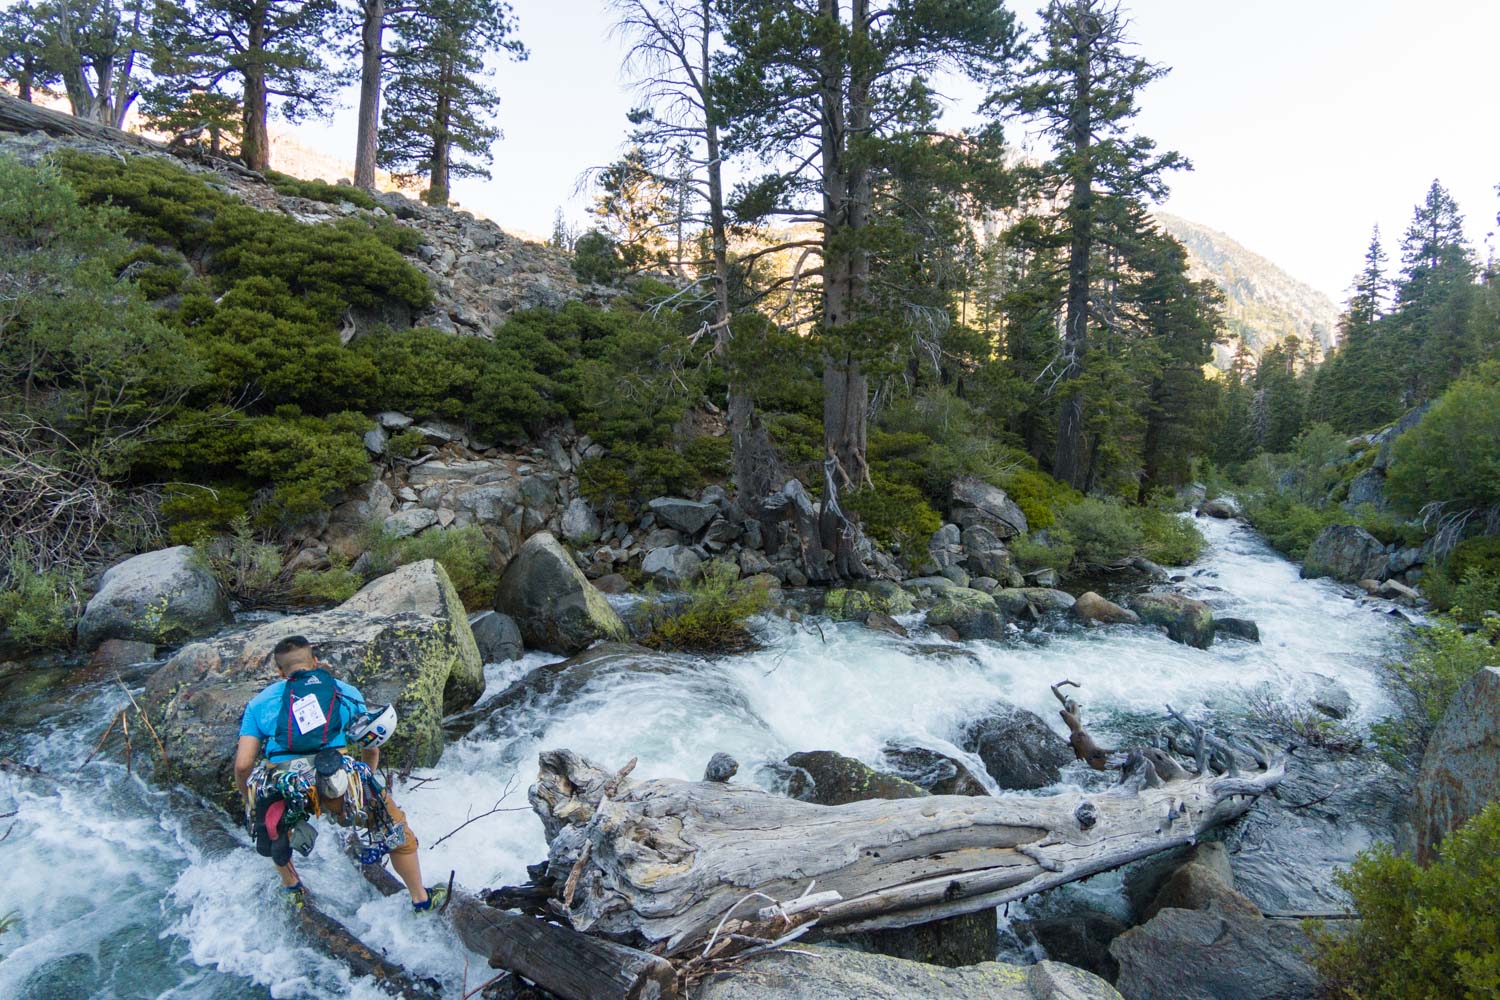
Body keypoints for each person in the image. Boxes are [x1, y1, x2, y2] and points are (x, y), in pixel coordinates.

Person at [233, 635, 444, 912]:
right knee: (397, 832)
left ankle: (294, 891)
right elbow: (370, 744)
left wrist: (248, 798)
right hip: (337, 780)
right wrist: (365, 783)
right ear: (315, 662)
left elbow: (243, 764)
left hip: (285, 785)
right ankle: (421, 900)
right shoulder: (343, 691)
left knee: (274, 826)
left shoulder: (260, 703)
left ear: (280, 672)